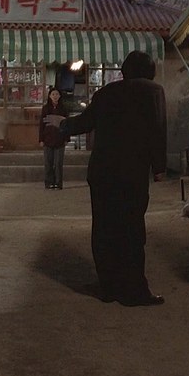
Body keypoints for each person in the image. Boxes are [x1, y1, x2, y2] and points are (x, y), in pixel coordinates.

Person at [51, 51, 167, 307]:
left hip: (102, 172)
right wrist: (159, 167)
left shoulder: (106, 93)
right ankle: (134, 290)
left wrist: (63, 125)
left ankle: (109, 287)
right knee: (132, 229)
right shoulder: (153, 91)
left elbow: (85, 122)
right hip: (132, 172)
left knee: (104, 229)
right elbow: (158, 129)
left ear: (124, 70)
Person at [39, 88, 69, 189]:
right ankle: (49, 182)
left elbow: (67, 124)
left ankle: (58, 183)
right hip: (48, 138)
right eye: (53, 94)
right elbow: (41, 125)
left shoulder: (63, 109)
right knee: (48, 162)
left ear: (59, 96)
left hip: (60, 139)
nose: (55, 96)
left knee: (58, 163)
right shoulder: (45, 109)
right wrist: (41, 139)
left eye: (57, 94)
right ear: (50, 96)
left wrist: (66, 138)